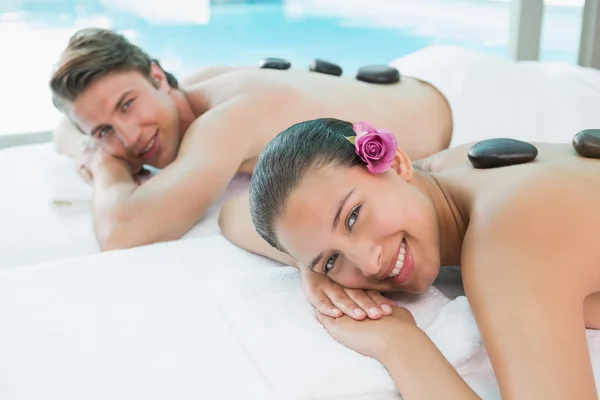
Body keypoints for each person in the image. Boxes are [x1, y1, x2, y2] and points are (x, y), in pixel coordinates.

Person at [50, 27, 600, 324]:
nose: (128, 140)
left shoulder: (225, 121)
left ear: (156, 77)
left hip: (480, 104)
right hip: (424, 80)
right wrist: (312, 259)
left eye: (126, 105)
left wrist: (102, 164)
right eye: (103, 132)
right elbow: (240, 212)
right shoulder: (198, 88)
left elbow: (122, 231)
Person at [245, 118, 600, 398]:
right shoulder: (448, 168)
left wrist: (399, 343)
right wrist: (311, 269)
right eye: (333, 260)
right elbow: (233, 215)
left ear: (396, 164)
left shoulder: (508, 242)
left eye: (353, 217)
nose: (369, 264)